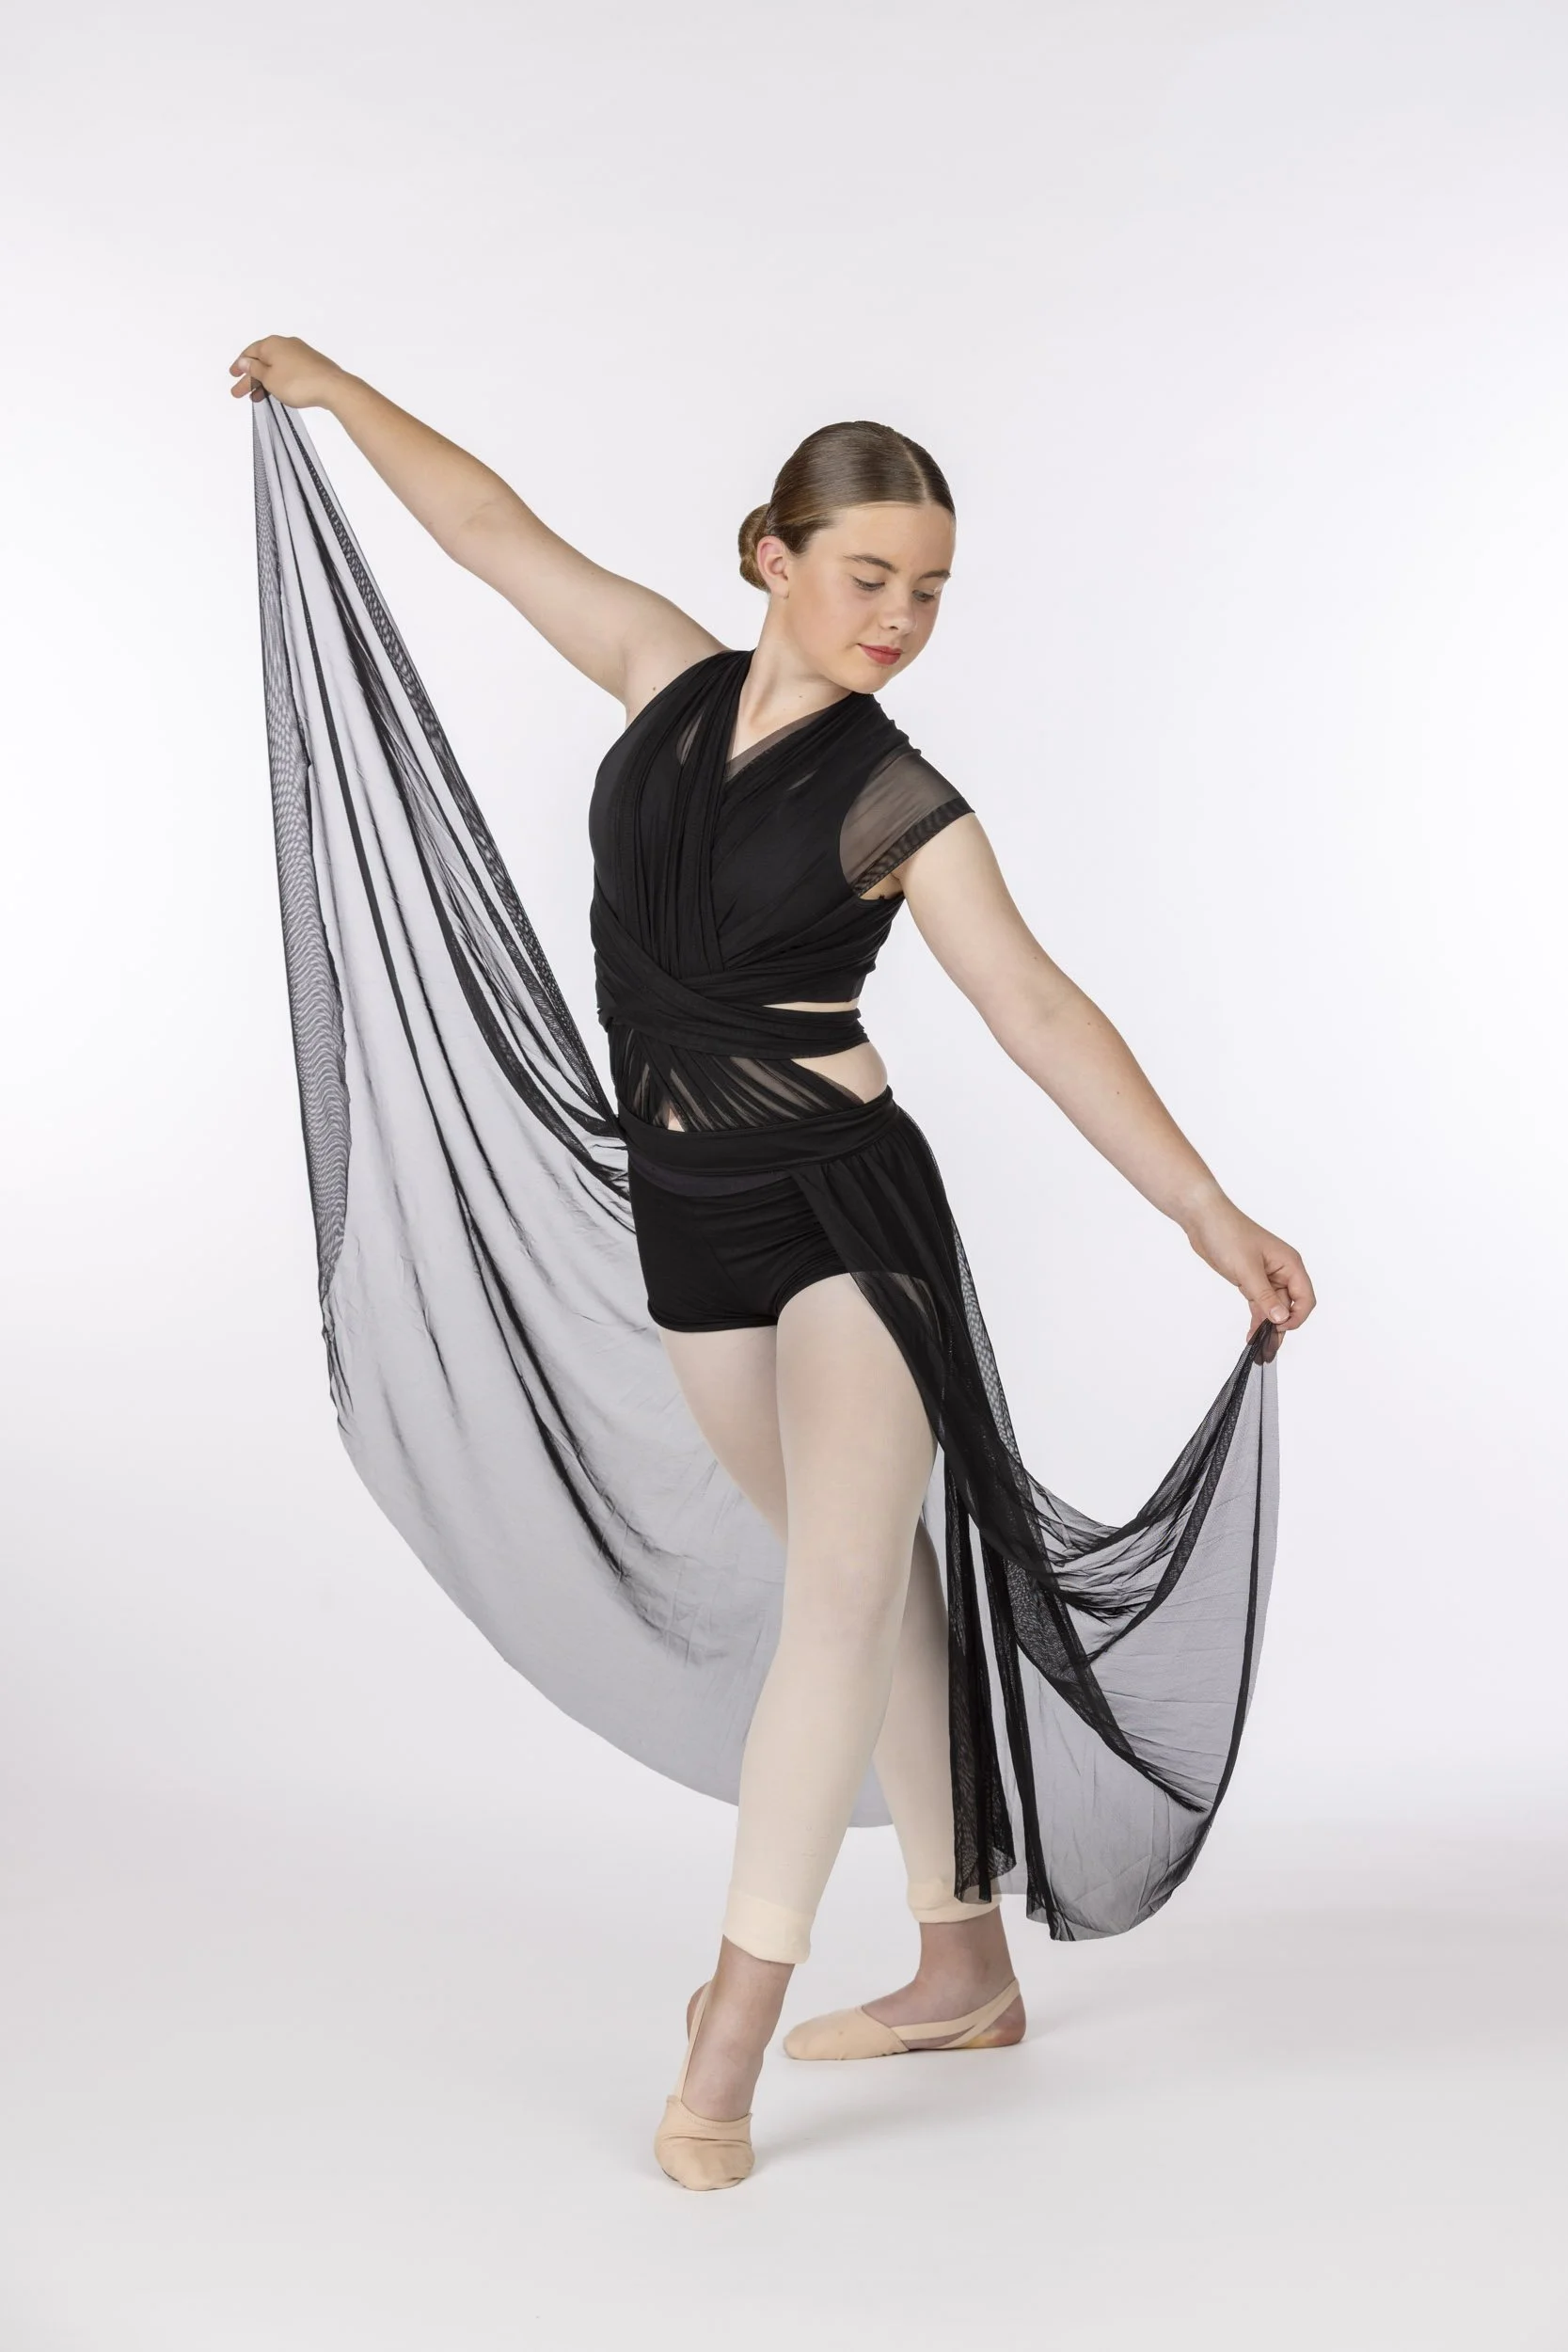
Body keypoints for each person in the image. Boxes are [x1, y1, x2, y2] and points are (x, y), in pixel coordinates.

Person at [230, 336, 1315, 2191]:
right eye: (867, 572)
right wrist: (334, 388)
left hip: (841, 1216)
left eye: (929, 590)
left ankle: (727, 2020)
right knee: (867, 1572)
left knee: (827, 1590)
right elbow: (491, 529)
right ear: (771, 555)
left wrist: (1203, 1207)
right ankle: (958, 1960)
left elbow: (1035, 1006)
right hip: (691, 1224)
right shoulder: (661, 677)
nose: (898, 614)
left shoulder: (902, 803)